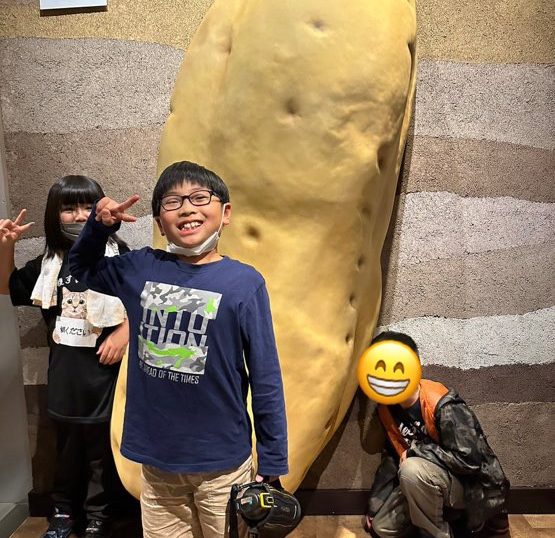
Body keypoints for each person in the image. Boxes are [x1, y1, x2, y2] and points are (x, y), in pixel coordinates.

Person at [68, 160, 288, 537]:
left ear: (226, 212)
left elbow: (265, 375)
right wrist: (98, 228)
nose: (187, 209)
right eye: (172, 202)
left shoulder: (244, 283)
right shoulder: (141, 268)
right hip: (158, 462)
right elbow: (80, 273)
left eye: (200, 198)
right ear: (159, 221)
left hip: (223, 464)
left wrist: (273, 458)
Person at [0, 175, 130, 538]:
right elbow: (7, 287)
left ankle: (99, 516)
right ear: (54, 215)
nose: (80, 215)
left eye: (89, 206)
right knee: (66, 448)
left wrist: (124, 331)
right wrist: (6, 246)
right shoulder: (48, 264)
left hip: (107, 374)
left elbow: (148, 301)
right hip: (65, 374)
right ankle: (63, 512)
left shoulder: (120, 258)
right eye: (69, 208)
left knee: (103, 452)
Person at [362, 331, 510, 538]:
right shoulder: (386, 408)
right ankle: (450, 520)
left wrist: (415, 451)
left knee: (411, 469)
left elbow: (471, 461)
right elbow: (392, 458)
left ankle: (447, 530)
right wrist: (374, 506)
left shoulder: (442, 404)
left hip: (471, 486)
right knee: (383, 528)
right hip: (429, 483)